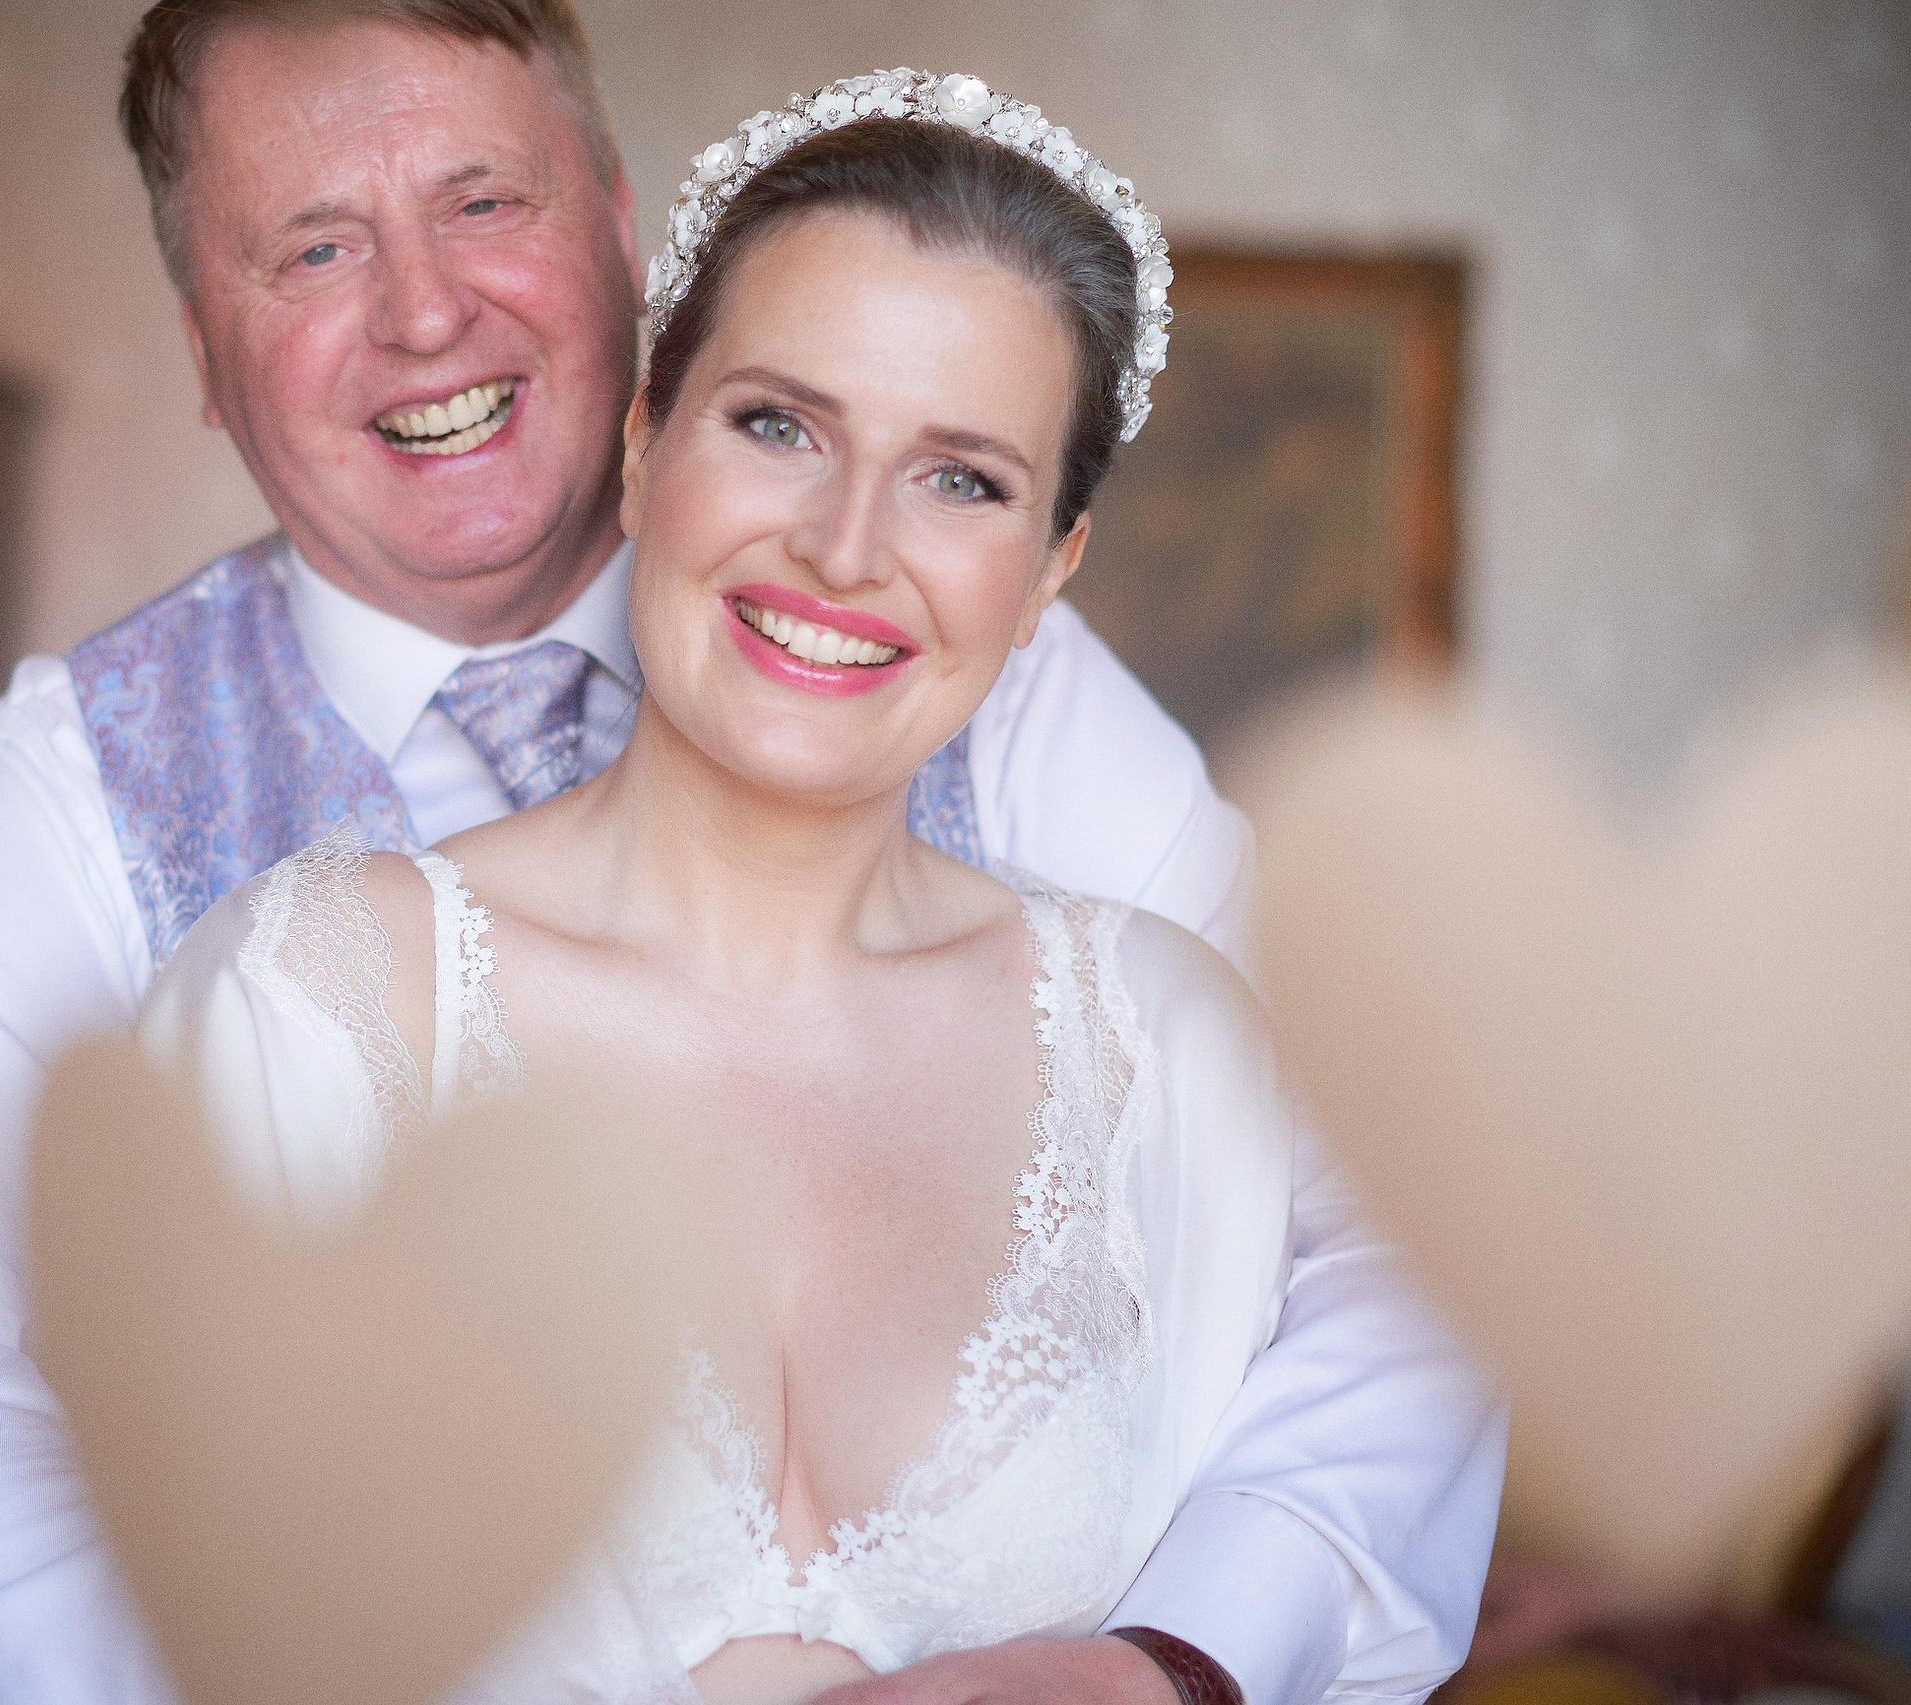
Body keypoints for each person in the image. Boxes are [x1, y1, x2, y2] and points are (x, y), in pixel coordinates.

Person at [0, 6, 1503, 1703]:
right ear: (202, 347)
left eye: (482, 203)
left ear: (620, 236)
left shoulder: (981, 681)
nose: (424, 315)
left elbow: (1387, 1234)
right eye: (314, 248)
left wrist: (1177, 1656)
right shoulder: (68, 796)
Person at [133, 86, 1305, 1704]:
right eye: (778, 426)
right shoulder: (312, 1009)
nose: (841, 546)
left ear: (1049, 575)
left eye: (959, 479)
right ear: (640, 453)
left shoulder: (1169, 1051)